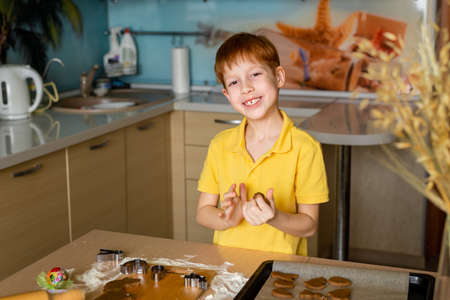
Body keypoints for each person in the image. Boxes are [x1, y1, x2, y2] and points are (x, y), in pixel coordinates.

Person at [195, 32, 329, 255]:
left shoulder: (305, 148)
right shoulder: (220, 145)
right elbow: (202, 213)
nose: (246, 87)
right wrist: (229, 218)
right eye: (234, 82)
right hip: (228, 269)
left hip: (280, 272)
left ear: (278, 77)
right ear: (228, 95)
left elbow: (309, 225)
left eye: (255, 74)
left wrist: (275, 217)